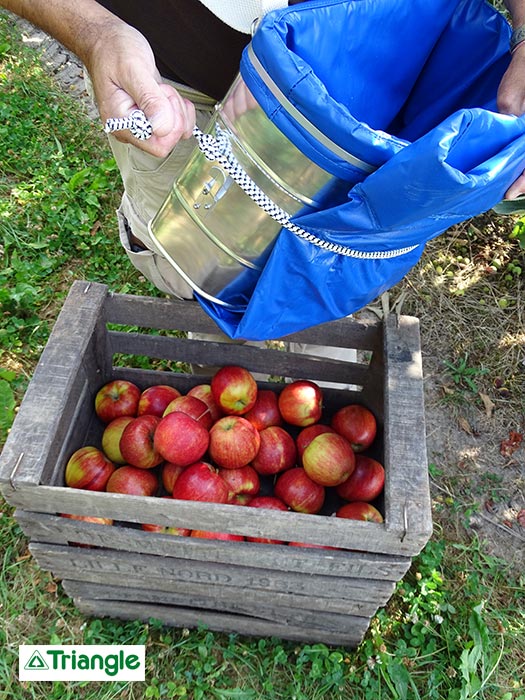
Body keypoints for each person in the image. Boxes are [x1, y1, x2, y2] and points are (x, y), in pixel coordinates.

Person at [2, 0, 525, 297]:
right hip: (177, 91)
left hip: (386, 125)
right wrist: (96, 33)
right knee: (198, 270)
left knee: (336, 284)